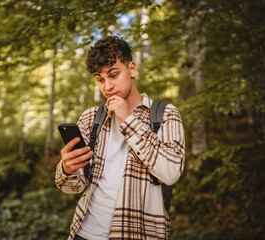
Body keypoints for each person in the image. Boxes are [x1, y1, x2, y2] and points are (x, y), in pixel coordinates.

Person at [55, 36, 185, 240]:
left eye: (113, 75)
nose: (107, 87)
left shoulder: (166, 114)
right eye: (100, 79)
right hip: (84, 233)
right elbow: (72, 187)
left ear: (132, 69)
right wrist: (67, 169)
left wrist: (128, 121)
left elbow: (171, 173)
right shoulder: (91, 118)